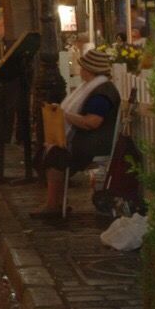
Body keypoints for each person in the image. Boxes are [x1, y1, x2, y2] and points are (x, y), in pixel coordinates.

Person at [32, 49, 121, 220]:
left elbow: (92, 122)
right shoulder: (95, 88)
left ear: (89, 70)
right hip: (88, 139)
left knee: (55, 155)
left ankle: (53, 205)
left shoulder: (102, 93)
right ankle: (55, 203)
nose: (80, 71)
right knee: (53, 152)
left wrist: (63, 115)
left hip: (94, 142)